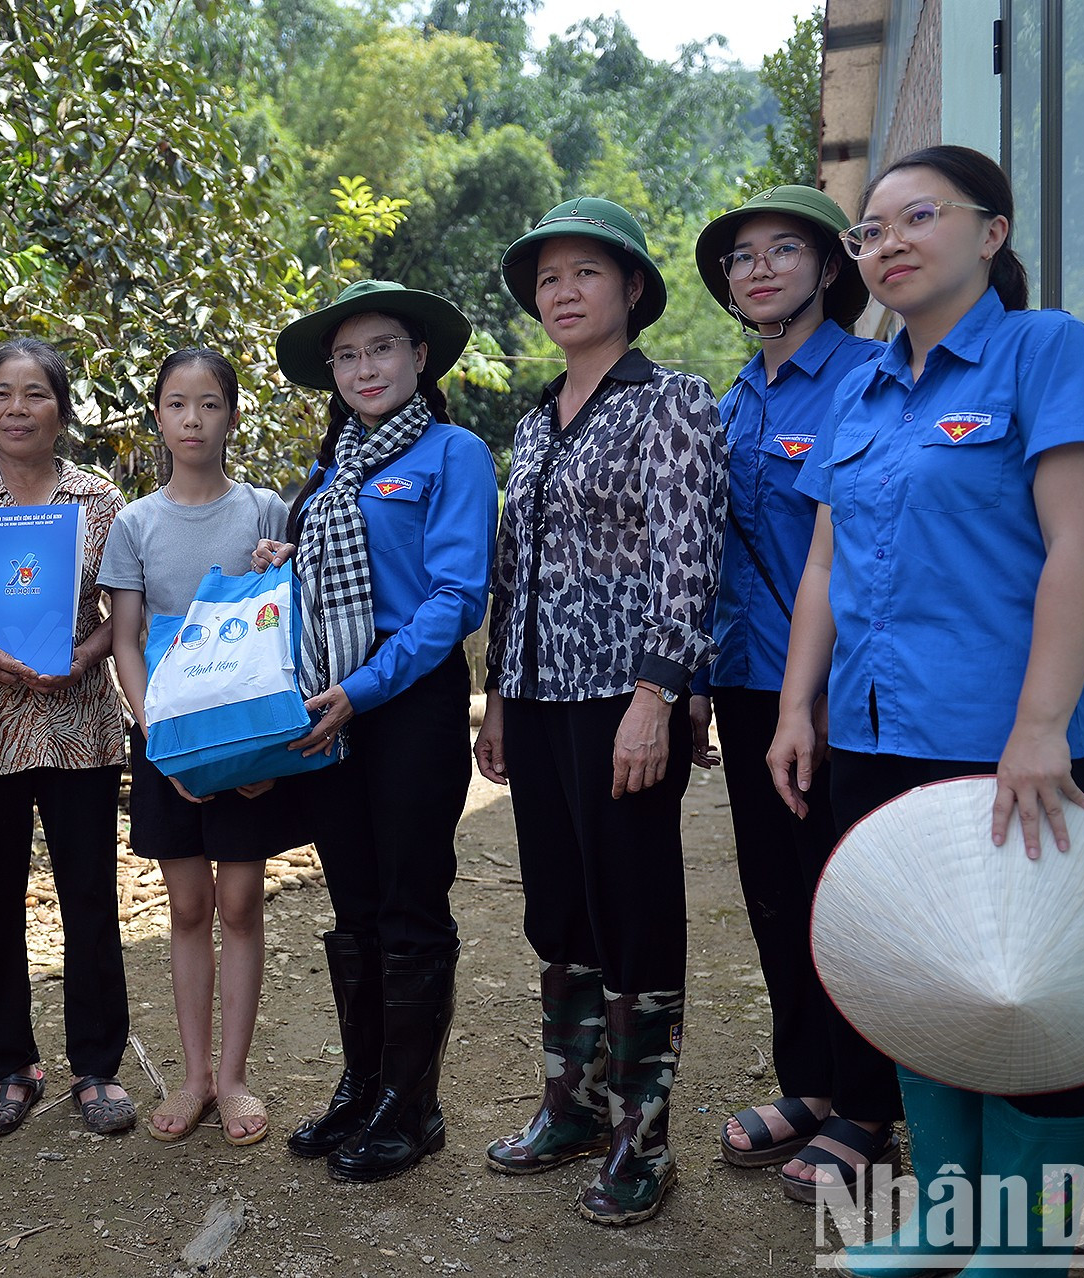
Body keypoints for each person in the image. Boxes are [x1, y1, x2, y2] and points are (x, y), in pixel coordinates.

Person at [767, 145, 1084, 1277]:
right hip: (871, 738)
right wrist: (793, 710)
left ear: (992, 231)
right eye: (871, 232)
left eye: (918, 216)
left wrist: (1039, 729)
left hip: (1001, 744)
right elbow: (822, 569)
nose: (889, 244)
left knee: (1024, 993)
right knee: (915, 980)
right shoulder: (863, 388)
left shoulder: (1046, 352)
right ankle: (949, 1211)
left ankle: (1025, 1241)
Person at [473, 198, 726, 1226]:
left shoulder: (673, 402)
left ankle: (644, 1136)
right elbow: (511, 573)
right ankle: (573, 1105)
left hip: (623, 699)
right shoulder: (534, 422)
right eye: (548, 280)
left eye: (585, 273)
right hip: (535, 696)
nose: (564, 292)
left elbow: (689, 560)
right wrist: (495, 698)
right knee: (559, 909)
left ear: (630, 289)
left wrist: (656, 697)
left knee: (633, 908)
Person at [687, 186, 897, 1201]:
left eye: (783, 250)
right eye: (740, 258)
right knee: (774, 894)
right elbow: (708, 562)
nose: (758, 268)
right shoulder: (731, 401)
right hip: (744, 682)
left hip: (839, 692)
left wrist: (807, 700)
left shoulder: (869, 379)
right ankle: (809, 1083)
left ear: (829, 269)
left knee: (843, 895)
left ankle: (870, 1107)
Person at [270, 280, 499, 1183]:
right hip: (332, 713)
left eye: (383, 350)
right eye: (349, 356)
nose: (366, 369)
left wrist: (363, 689)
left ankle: (415, 1104)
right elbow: (319, 591)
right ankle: (363, 1084)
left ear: (420, 360)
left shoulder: (454, 454)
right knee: (353, 901)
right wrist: (279, 561)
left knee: (409, 900)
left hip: (405, 710)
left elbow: (454, 600)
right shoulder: (329, 472)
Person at [0, 338, 137, 1138]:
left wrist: (87, 653)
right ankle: (9, 1066)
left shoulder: (100, 499)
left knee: (88, 896)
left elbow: (124, 611)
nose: (17, 409)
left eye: (35, 394)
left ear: (62, 409)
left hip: (77, 721)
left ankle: (97, 1065)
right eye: (2, 394)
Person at [99, 349, 306, 1146]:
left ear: (232, 416)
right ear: (157, 415)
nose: (193, 420)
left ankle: (234, 1077)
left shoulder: (264, 511)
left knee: (241, 902)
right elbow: (125, 643)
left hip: (249, 742)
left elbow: (287, 623)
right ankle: (191, 1076)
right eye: (178, 404)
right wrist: (161, 744)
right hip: (169, 746)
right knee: (186, 907)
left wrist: (280, 568)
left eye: (210, 404)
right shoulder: (135, 524)